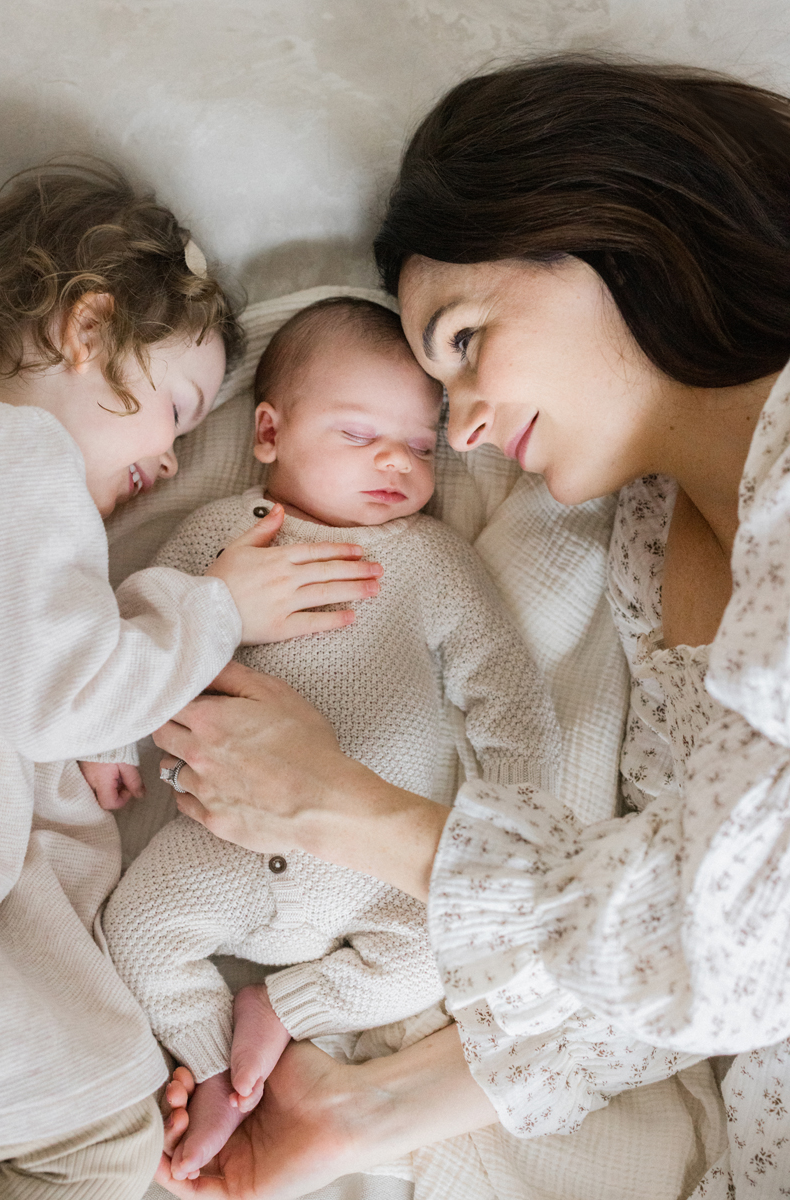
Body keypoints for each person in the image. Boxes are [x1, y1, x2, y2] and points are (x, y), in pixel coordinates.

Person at [151, 58, 790, 1199]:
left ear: (608, 225)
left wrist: (348, 808)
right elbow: (652, 949)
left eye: (463, 342)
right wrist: (361, 1113)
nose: (469, 431)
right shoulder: (645, 546)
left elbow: (740, 943)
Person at [0, 162, 382, 1200]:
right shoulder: (8, 452)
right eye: (174, 408)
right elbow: (60, 690)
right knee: (105, 1144)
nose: (167, 461)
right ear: (85, 330)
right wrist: (220, 610)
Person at [97, 295, 562, 1183]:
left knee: (440, 952)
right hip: (219, 845)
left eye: (421, 446)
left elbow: (500, 679)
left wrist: (508, 805)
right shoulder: (224, 538)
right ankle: (229, 1086)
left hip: (374, 874)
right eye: (358, 435)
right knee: (139, 931)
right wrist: (111, 742)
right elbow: (142, 635)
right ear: (268, 432)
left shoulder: (427, 559)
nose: (396, 460)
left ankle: (281, 1010)